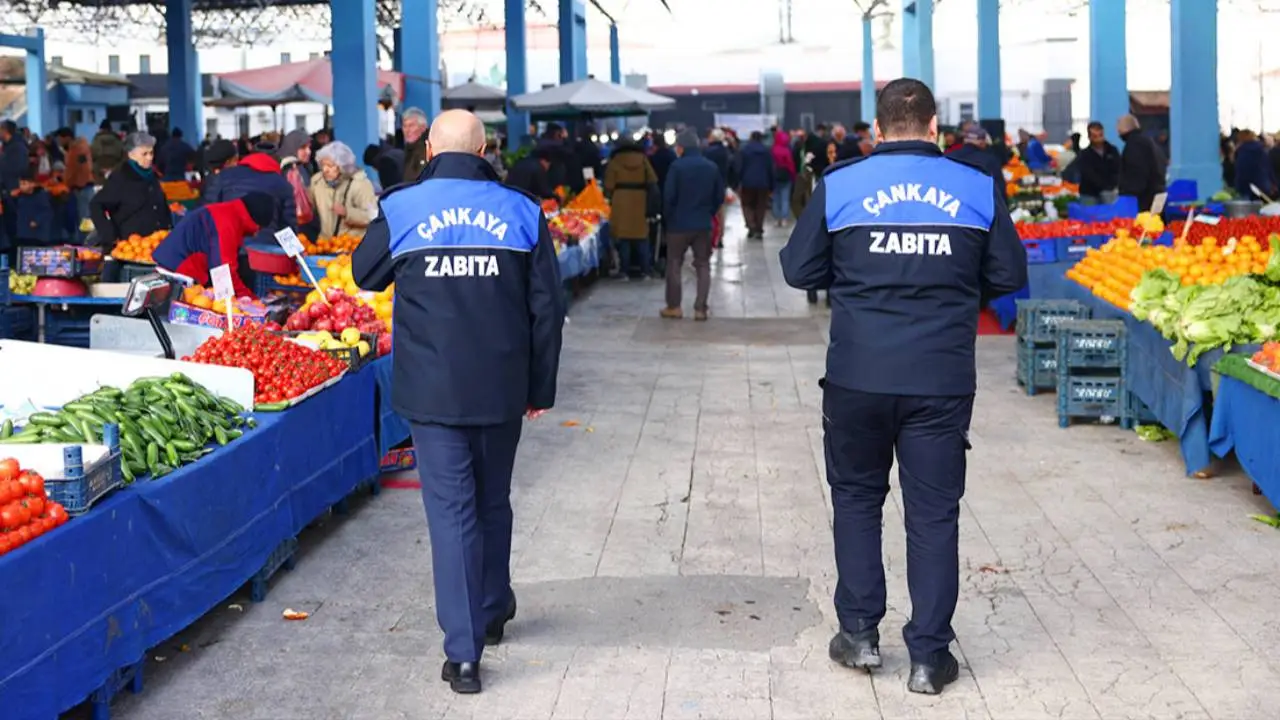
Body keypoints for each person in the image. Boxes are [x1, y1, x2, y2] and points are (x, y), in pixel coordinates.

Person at [779, 77, 1027, 696]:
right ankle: (928, 657)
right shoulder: (975, 186)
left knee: (857, 500)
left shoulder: (841, 184)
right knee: (933, 514)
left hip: (857, 375)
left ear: (878, 129)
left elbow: (798, 268)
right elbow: (1008, 274)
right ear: (935, 126)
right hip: (939, 379)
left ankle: (860, 634)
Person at [351, 109, 565, 696]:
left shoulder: (402, 207)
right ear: (486, 148)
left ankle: (464, 652)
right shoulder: (522, 210)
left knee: (452, 514)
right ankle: (493, 610)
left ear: (426, 152)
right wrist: (539, 387)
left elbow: (365, 275)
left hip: (432, 391)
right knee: (493, 500)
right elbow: (548, 308)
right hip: (501, 388)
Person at [152, 193, 276, 299]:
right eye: (259, 228)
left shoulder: (228, 212)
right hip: (178, 274)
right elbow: (223, 272)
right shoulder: (228, 223)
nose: (257, 233)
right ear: (255, 222)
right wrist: (249, 300)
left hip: (171, 265)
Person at [661, 131, 725, 321]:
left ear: (681, 147)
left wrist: (669, 218)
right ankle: (700, 309)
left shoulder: (676, 167)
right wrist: (709, 213)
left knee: (674, 263)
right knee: (703, 264)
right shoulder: (711, 167)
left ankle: (674, 307)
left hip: (678, 224)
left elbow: (669, 197)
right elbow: (718, 197)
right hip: (703, 223)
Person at [89, 132, 172, 248]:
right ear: (131, 155)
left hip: (156, 245)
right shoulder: (120, 178)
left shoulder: (152, 176)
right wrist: (109, 236)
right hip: (131, 247)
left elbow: (161, 207)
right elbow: (96, 205)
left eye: (151, 153)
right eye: (144, 154)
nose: (149, 158)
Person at [202, 141, 295, 244]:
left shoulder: (224, 176)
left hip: (229, 247)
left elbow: (207, 212)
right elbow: (288, 228)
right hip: (266, 250)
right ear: (277, 162)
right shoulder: (283, 184)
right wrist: (296, 255)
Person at [603, 138, 659, 279]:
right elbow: (652, 180)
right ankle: (645, 270)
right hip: (640, 199)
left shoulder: (615, 161)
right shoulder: (643, 159)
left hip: (620, 200)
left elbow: (609, 185)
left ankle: (624, 271)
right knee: (641, 236)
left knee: (624, 238)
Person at [309, 141, 378, 240]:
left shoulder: (360, 183)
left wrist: (347, 213)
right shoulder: (316, 182)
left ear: (342, 167)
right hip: (325, 245)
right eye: (323, 165)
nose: (325, 170)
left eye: (330, 166)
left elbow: (372, 216)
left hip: (351, 245)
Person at [1117, 114, 1167, 212]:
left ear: (1123, 129)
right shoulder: (1148, 141)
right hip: (1157, 192)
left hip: (1144, 199)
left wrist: (1126, 193)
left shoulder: (1134, 145)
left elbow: (1136, 174)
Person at [947, 126, 1006, 199]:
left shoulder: (949, 157)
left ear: (965, 140)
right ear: (982, 142)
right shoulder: (990, 161)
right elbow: (999, 190)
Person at [736, 131, 775, 239]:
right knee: (760, 206)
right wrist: (772, 184)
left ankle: (751, 225)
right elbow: (770, 168)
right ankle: (759, 228)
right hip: (763, 182)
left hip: (747, 182)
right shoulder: (767, 151)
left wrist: (737, 181)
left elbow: (739, 167)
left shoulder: (744, 150)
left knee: (747, 205)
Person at [279, 129, 316, 237]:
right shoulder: (291, 170)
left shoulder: (303, 167)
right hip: (296, 227)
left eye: (309, 147)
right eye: (303, 148)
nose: (308, 151)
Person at [1077, 121, 1121, 205]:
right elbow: (1088, 173)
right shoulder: (1084, 154)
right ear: (1089, 137)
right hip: (1089, 194)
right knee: (1090, 216)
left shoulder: (1112, 150)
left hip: (1110, 192)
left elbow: (1118, 169)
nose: (1098, 139)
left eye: (1100, 135)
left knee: (1110, 217)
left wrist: (1112, 185)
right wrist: (1103, 186)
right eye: (1095, 136)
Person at [13, 169, 54, 246]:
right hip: (22, 234)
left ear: (32, 184)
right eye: (20, 184)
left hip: (37, 235)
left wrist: (37, 221)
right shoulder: (19, 197)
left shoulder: (41, 196)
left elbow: (47, 211)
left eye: (24, 184)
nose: (21, 186)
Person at [1233, 129, 1275, 201]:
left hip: (1247, 187)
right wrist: (1272, 183)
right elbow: (1269, 168)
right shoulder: (1262, 150)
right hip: (1263, 185)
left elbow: (1242, 172)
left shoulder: (1243, 152)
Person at [771, 128, 797, 228]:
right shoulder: (786, 151)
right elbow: (790, 165)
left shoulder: (773, 149)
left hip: (775, 176)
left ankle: (777, 218)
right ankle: (784, 218)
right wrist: (793, 176)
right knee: (785, 198)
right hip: (786, 176)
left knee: (776, 198)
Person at [90, 120, 124, 185]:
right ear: (110, 129)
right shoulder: (118, 140)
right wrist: (113, 170)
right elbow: (123, 158)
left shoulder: (96, 140)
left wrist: (99, 169)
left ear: (101, 129)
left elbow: (92, 157)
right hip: (115, 174)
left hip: (99, 174)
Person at [402, 107, 429, 183]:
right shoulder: (409, 149)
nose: (407, 130)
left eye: (411, 126)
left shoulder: (428, 149)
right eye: (404, 126)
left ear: (423, 127)